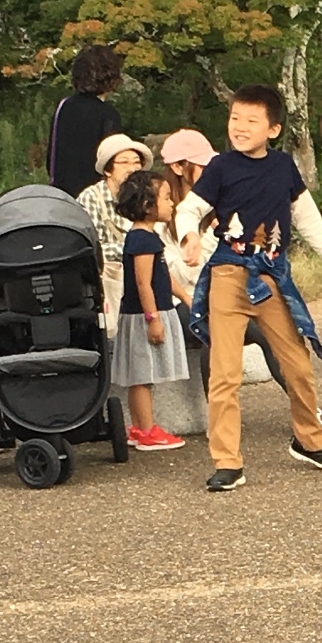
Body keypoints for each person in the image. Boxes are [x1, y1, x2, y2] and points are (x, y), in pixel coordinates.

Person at [173, 84, 322, 493]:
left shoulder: (283, 167)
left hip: (273, 277)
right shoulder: (221, 167)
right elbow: (189, 207)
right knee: (225, 374)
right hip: (227, 275)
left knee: (297, 365)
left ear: (273, 129)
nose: (239, 127)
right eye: (234, 119)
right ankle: (227, 462)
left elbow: (305, 212)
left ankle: (310, 441)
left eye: (251, 120)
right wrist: (189, 236)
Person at [160, 127, 287, 400]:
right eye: (203, 166)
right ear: (179, 168)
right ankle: (215, 413)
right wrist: (209, 236)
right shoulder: (162, 210)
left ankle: (306, 408)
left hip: (225, 293)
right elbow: (181, 273)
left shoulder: (221, 202)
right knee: (215, 331)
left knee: (270, 329)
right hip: (180, 304)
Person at [110, 169, 188, 452]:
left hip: (146, 312)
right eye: (166, 198)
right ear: (146, 206)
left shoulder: (147, 238)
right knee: (142, 376)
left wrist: (186, 298)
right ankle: (146, 430)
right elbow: (144, 283)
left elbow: (163, 276)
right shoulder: (142, 239)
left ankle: (141, 427)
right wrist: (153, 319)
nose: (172, 204)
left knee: (142, 375)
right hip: (144, 316)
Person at [48, 44, 125, 197]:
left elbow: (51, 158)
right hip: (94, 198)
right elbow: (112, 165)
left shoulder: (63, 106)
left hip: (61, 196)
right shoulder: (108, 114)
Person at [78, 132, 153, 263]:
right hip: (111, 276)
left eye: (136, 162)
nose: (132, 169)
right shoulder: (92, 198)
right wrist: (137, 247)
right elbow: (93, 250)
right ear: (107, 170)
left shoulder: (148, 195)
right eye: (124, 162)